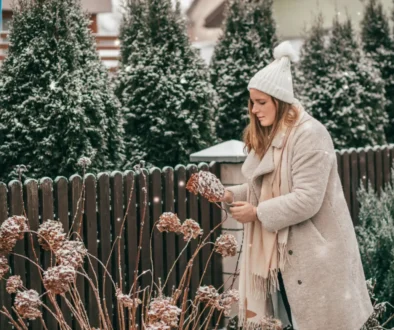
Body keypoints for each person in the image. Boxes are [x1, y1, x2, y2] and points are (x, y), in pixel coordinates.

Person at [220, 41, 373, 330]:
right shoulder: (270, 136)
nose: (253, 109)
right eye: (251, 102)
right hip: (281, 261)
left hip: (316, 257)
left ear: (280, 101)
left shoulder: (310, 135)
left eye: (261, 102)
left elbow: (306, 199)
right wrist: (228, 194)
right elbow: (259, 189)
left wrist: (257, 214)